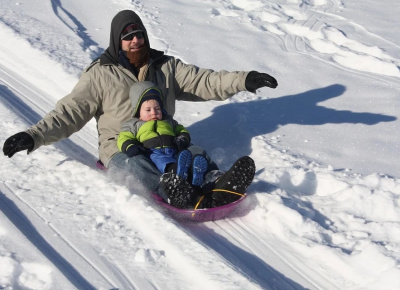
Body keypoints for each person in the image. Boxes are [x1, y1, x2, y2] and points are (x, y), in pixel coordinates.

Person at [2, 9, 277, 208]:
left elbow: (204, 81)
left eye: (139, 35)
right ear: (116, 41)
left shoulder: (165, 66)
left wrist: (243, 79)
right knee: (135, 164)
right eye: (128, 37)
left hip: (164, 137)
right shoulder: (100, 75)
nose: (135, 41)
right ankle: (170, 189)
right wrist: (34, 135)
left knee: (192, 153)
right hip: (123, 145)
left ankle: (217, 181)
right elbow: (70, 111)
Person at [117, 81, 209, 191]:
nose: (154, 113)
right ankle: (176, 174)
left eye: (157, 109)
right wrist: (130, 146)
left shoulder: (168, 121)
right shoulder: (133, 124)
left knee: (187, 155)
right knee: (162, 161)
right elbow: (123, 137)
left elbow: (181, 129)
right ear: (138, 112)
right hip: (152, 152)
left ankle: (194, 175)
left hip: (174, 150)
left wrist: (182, 137)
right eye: (148, 110)